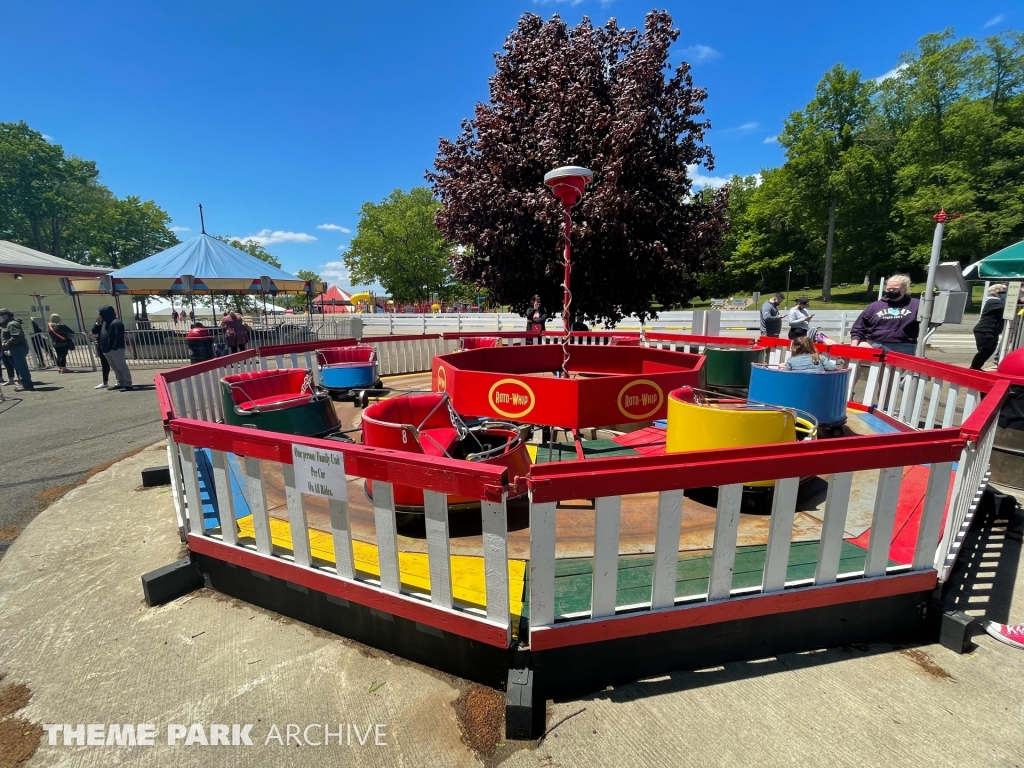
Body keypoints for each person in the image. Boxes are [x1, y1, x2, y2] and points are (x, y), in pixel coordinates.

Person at [850, 274, 920, 355]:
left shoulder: (916, 304)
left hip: (903, 346)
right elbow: (859, 327)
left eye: (895, 289)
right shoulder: (875, 306)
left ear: (904, 289)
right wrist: (854, 344)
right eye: (889, 289)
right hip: (874, 344)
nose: (891, 291)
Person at [971, 284, 1008, 370]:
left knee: (990, 350)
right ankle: (974, 367)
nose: (1005, 294)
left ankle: (977, 367)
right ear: (996, 293)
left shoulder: (997, 301)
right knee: (985, 349)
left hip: (993, 331)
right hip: (985, 330)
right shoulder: (992, 301)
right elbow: (1007, 306)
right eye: (1003, 292)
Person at [96, 305, 133, 391]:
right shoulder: (104, 323)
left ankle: (128, 384)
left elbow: (118, 337)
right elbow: (95, 331)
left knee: (122, 367)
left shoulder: (116, 323)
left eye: (101, 313)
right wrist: (97, 322)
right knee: (115, 367)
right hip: (106, 349)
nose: (99, 315)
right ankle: (120, 382)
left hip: (115, 350)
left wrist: (114, 347)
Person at [0, 309, 34, 391]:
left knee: (21, 367)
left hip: (17, 348)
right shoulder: (8, 324)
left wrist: (6, 344)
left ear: (5, 315)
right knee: (19, 367)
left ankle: (27, 384)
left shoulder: (12, 324)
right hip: (14, 348)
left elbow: (16, 336)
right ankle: (24, 383)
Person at [90, 317, 111, 389]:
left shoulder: (110, 322)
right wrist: (98, 323)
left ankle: (123, 381)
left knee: (116, 365)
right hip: (101, 346)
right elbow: (94, 331)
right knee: (104, 365)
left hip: (110, 346)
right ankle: (105, 382)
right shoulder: (100, 323)